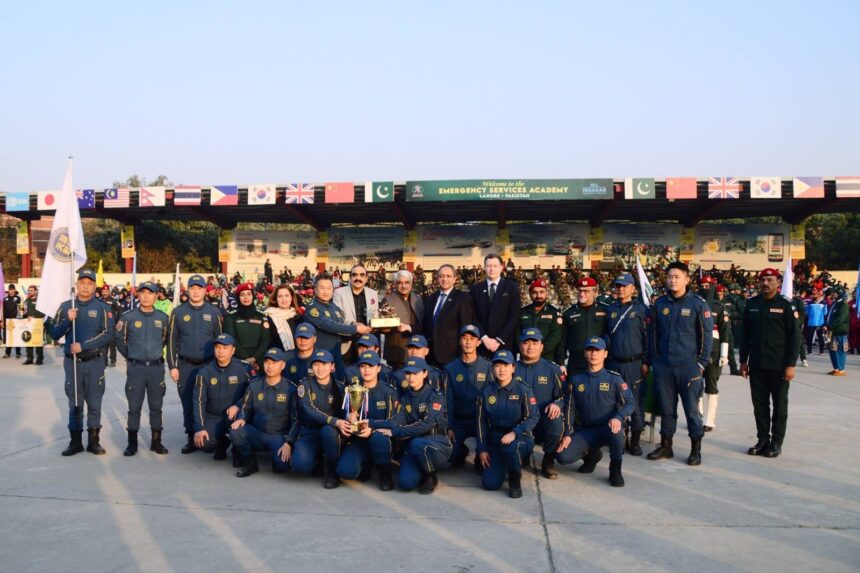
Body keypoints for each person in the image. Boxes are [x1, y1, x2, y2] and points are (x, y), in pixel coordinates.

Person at [646, 261, 713, 466]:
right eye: (669, 277)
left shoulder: (697, 304)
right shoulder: (660, 305)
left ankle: (695, 449)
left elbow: (707, 336)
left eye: (677, 276)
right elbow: (652, 335)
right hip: (664, 366)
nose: (672, 280)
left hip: (688, 366)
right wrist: (653, 361)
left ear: (686, 279)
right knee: (667, 408)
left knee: (692, 410)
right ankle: (666, 445)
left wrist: (700, 364)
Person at [49, 269, 115, 456]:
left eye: (90, 283)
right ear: (76, 285)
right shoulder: (65, 307)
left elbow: (108, 334)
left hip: (94, 361)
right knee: (75, 401)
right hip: (73, 363)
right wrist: (67, 321)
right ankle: (75, 441)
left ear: (95, 286)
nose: (86, 286)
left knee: (94, 401)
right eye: (82, 283)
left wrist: (84, 346)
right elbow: (54, 333)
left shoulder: (103, 308)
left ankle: (94, 441)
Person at [557, 337, 634, 487]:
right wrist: (567, 434)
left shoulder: (614, 379)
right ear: (585, 354)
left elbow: (629, 403)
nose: (593, 354)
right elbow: (569, 409)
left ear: (605, 354)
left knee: (617, 432)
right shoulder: (577, 380)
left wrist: (618, 418)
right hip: (586, 430)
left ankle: (615, 468)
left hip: (608, 428)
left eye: (597, 350)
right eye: (590, 350)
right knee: (563, 457)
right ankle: (592, 456)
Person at [740, 268, 801, 458]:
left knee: (780, 406)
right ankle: (762, 440)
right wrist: (743, 361)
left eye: (770, 279)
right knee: (760, 405)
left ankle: (776, 442)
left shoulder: (787, 305)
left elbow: (795, 337)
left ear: (777, 282)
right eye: (763, 280)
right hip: (757, 364)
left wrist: (791, 364)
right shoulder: (752, 304)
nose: (765, 283)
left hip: (779, 366)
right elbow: (745, 336)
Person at [369, 357, 451, 494]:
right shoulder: (406, 398)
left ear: (425, 373)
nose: (411, 377)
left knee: (417, 443)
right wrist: (370, 423)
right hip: (415, 446)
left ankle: (430, 475)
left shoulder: (435, 396)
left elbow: (427, 423)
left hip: (437, 444)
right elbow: (396, 420)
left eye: (415, 373)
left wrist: (396, 432)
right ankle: (420, 469)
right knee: (405, 483)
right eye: (408, 373)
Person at [167, 274, 224, 454]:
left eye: (199, 288)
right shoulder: (178, 312)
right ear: (188, 290)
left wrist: (219, 365)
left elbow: (220, 340)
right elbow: (171, 341)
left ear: (205, 290)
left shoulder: (214, 313)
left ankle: (208, 435)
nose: (196, 291)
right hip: (185, 365)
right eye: (192, 288)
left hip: (208, 365)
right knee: (187, 401)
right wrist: (172, 366)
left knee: (209, 400)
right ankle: (191, 435)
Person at [114, 281, 170, 456]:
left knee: (156, 406)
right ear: (138, 295)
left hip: (156, 368)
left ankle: (156, 441)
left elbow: (166, 340)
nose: (146, 296)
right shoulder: (128, 317)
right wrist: (131, 355)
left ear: (156, 295)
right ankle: (132, 443)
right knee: (134, 406)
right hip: (136, 368)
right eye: (143, 293)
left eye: (150, 293)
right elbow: (119, 340)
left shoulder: (162, 318)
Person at [476, 350, 539, 498]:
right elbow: (481, 422)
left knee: (511, 447)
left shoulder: (523, 390)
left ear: (513, 368)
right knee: (490, 484)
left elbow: (533, 417)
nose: (502, 369)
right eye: (498, 365)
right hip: (496, 440)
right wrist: (482, 449)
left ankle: (514, 478)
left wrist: (514, 433)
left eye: (506, 365)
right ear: (492, 368)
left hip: (520, 437)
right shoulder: (486, 392)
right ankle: (506, 465)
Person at [230, 348, 300, 477]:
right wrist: (241, 418)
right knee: (236, 430)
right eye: (267, 362)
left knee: (282, 466)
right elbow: (245, 408)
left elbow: (296, 420)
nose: (270, 366)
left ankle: (276, 459)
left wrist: (288, 442)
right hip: (258, 433)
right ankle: (250, 462)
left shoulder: (291, 389)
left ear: (283, 365)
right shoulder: (254, 386)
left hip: (279, 436)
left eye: (274, 362)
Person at [336, 350, 398, 490]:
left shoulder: (389, 392)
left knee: (378, 438)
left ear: (379, 368)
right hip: (358, 439)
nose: (366, 370)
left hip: (380, 439)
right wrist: (348, 418)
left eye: (370, 366)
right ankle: (365, 463)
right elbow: (342, 414)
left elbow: (394, 422)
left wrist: (373, 429)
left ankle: (385, 472)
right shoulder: (352, 390)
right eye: (363, 366)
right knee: (345, 471)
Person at [291, 350, 351, 488]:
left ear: (332, 367)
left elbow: (345, 413)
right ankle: (316, 459)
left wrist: (350, 417)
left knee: (328, 431)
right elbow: (308, 409)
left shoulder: (340, 388)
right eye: (316, 364)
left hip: (331, 434)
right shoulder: (305, 384)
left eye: (325, 364)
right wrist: (334, 420)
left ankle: (332, 471)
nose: (320, 368)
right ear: (311, 367)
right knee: (300, 465)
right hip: (309, 432)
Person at [604, 272, 649, 454]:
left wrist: (646, 361)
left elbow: (648, 338)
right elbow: (606, 335)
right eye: (618, 286)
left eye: (625, 286)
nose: (621, 289)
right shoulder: (610, 309)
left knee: (635, 402)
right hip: (614, 363)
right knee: (614, 402)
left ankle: (636, 440)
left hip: (634, 364)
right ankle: (618, 438)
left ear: (633, 288)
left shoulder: (641, 310)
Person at [514, 328, 565, 478]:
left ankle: (548, 460)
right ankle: (523, 453)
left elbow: (565, 396)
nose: (530, 347)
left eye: (535, 343)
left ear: (542, 346)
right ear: (520, 345)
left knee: (556, 421)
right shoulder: (511, 368)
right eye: (526, 342)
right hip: (519, 422)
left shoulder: (552, 369)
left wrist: (558, 404)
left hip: (543, 421)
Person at [192, 333, 251, 460]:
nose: (221, 351)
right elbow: (198, 401)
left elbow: (251, 393)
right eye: (218, 347)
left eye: (225, 348)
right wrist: (200, 428)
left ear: (233, 350)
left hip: (234, 415)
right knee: (205, 442)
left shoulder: (242, 368)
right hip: (214, 416)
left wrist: (238, 405)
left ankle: (238, 449)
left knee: (240, 434)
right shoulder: (204, 372)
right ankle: (222, 444)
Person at [444, 324, 493, 470]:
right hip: (459, 421)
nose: (468, 342)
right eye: (464, 338)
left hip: (480, 421)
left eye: (472, 339)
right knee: (448, 455)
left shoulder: (488, 367)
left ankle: (479, 453)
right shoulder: (450, 368)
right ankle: (461, 451)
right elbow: (448, 400)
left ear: (478, 342)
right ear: (460, 341)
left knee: (484, 467)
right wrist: (449, 426)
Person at [304, 275, 370, 377]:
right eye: (322, 288)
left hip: (336, 354)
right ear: (315, 290)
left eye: (329, 288)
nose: (325, 291)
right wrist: (356, 328)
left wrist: (355, 325)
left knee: (339, 383)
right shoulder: (312, 308)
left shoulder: (335, 308)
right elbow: (330, 326)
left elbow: (341, 327)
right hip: (321, 356)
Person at [697, 275, 730, 433]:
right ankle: (698, 416)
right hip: (696, 352)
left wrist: (724, 355)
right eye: (702, 286)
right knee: (696, 386)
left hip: (715, 353)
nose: (705, 289)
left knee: (711, 386)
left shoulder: (719, 307)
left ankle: (709, 420)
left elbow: (725, 333)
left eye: (708, 286)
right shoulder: (695, 305)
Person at [423, 264, 475, 366]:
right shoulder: (430, 299)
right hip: (430, 355)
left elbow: (465, 327)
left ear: (455, 278)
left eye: (448, 276)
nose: (444, 279)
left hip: (452, 356)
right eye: (441, 276)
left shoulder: (462, 298)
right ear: (437, 278)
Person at [470, 254, 521, 357]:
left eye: (495, 266)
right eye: (488, 266)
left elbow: (514, 316)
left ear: (502, 267)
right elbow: (472, 316)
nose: (491, 269)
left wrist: (499, 340)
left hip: (505, 344)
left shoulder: (511, 288)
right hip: (482, 345)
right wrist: (484, 338)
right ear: (484, 267)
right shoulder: (476, 289)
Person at [332, 263, 379, 363]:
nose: (358, 278)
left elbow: (375, 316)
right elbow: (337, 318)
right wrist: (354, 325)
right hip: (348, 340)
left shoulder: (373, 293)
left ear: (366, 278)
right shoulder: (339, 293)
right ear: (350, 278)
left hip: (367, 342)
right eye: (354, 275)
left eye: (362, 275)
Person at [562, 276, 608, 376]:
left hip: (600, 361)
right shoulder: (568, 313)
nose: (582, 294)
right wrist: (561, 362)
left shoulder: (605, 310)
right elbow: (563, 340)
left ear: (595, 292)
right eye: (580, 291)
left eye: (586, 291)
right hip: (576, 362)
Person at [381, 270, 424, 369]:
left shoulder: (418, 299)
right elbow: (382, 326)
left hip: (417, 351)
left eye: (406, 282)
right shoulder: (387, 300)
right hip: (396, 354)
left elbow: (423, 323)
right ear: (395, 284)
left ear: (411, 284)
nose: (403, 286)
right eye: (400, 283)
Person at [224, 282, 269, 373]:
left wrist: (255, 358)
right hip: (238, 361)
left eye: (249, 294)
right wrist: (246, 359)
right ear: (238, 297)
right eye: (242, 295)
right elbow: (232, 340)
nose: (246, 297)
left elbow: (265, 340)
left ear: (253, 296)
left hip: (259, 362)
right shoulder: (231, 316)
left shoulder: (261, 316)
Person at [520, 278, 565, 365]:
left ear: (546, 293)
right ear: (530, 294)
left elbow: (555, 337)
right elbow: (517, 335)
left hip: (547, 359)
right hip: (525, 358)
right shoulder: (522, 312)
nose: (538, 296)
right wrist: (527, 351)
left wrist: (536, 352)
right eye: (534, 292)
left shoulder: (554, 313)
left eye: (541, 292)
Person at [264, 284, 302, 352]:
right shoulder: (268, 317)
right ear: (275, 299)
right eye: (280, 296)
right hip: (276, 358)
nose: (283, 299)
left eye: (286, 296)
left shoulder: (298, 317)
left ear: (292, 298)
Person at [823, 288, 849, 376]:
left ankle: (841, 369)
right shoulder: (835, 303)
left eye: (835, 293)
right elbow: (830, 316)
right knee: (833, 350)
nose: (833, 294)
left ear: (839, 294)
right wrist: (825, 324)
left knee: (840, 350)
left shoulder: (843, 305)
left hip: (840, 331)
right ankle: (836, 368)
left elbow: (840, 319)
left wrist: (830, 326)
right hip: (833, 331)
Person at [22, 285, 45, 365]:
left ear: (36, 291)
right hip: (28, 325)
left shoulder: (40, 301)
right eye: (29, 290)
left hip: (37, 324)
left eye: (32, 290)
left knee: (38, 342)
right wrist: (22, 314)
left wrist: (33, 316)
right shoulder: (26, 301)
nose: (30, 292)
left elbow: (43, 313)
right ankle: (29, 358)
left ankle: (39, 359)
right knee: (28, 341)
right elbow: (23, 313)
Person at [100, 285, 122, 367]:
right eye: (103, 292)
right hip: (102, 326)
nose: (104, 293)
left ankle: (113, 360)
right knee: (103, 344)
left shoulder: (114, 301)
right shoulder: (99, 301)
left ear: (109, 292)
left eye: (106, 291)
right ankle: (104, 360)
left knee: (112, 344)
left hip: (111, 326)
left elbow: (120, 310)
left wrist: (117, 322)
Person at [3, 283, 22, 358]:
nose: (11, 291)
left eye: (12, 289)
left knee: (17, 337)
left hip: (16, 320)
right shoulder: (5, 299)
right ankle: (7, 353)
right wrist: (2, 321)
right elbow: (3, 310)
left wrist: (20, 319)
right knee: (8, 338)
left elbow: (21, 309)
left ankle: (18, 353)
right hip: (8, 321)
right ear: (8, 290)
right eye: (10, 289)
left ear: (15, 290)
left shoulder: (18, 298)